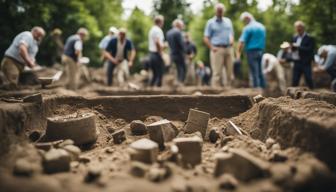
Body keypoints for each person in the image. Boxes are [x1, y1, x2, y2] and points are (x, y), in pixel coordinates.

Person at [204, 3, 234, 87]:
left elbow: (231, 34)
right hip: (217, 49)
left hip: (229, 49)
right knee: (217, 73)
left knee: (230, 72)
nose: (220, 12)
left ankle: (229, 92)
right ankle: (215, 93)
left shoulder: (228, 21)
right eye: (218, 11)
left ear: (223, 11)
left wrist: (231, 39)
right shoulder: (210, 22)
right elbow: (206, 38)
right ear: (215, 11)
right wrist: (212, 47)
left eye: (221, 11)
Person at [237, 12, 266, 89]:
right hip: (260, 51)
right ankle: (264, 89)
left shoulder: (248, 28)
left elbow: (241, 41)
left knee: (254, 71)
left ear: (247, 18)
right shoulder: (262, 27)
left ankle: (256, 89)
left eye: (244, 20)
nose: (244, 22)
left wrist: (238, 53)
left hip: (251, 51)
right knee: (260, 70)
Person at [291, 21, 315, 89]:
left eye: (299, 28)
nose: (298, 30)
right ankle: (292, 97)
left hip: (306, 62)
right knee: (295, 80)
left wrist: (298, 47)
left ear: (303, 28)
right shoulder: (294, 37)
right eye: (297, 28)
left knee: (308, 78)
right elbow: (293, 49)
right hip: (296, 61)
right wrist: (291, 47)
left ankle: (313, 93)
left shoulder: (309, 37)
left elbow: (310, 49)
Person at [167, 19, 186, 85]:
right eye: (182, 25)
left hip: (172, 53)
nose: (182, 27)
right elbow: (181, 44)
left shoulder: (168, 32)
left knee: (175, 68)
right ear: (178, 25)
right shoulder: (178, 32)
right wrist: (185, 52)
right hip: (179, 54)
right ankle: (180, 83)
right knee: (182, 68)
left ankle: (174, 82)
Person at [148, 15, 165, 87]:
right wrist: (161, 52)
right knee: (160, 73)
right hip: (156, 53)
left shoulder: (151, 30)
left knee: (155, 74)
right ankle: (159, 92)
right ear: (160, 22)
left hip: (151, 54)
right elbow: (157, 42)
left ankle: (150, 90)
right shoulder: (158, 30)